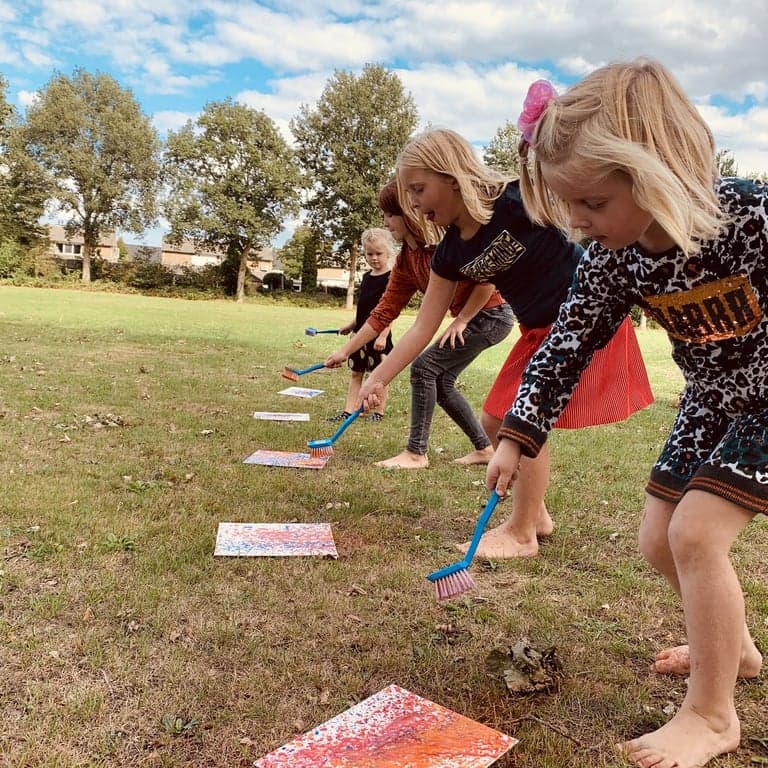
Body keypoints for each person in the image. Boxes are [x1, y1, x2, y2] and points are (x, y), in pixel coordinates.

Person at [486, 59, 766, 768]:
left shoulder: (752, 221)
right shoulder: (612, 259)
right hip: (710, 400)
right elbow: (566, 346)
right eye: (567, 203)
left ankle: (710, 715)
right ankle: (734, 653)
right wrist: (518, 436)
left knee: (697, 534)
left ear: (659, 171)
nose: (577, 221)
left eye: (593, 202)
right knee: (657, 539)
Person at [359, 128, 653, 557]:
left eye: (419, 189)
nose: (415, 203)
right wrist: (379, 377)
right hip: (535, 330)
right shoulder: (449, 255)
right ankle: (535, 515)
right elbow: (423, 326)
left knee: (514, 420)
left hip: (582, 316)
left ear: (452, 175)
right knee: (497, 420)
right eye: (410, 196)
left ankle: (521, 533)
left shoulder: (515, 199)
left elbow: (568, 182)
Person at [325, 180, 515, 467]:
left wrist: (463, 319)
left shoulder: (443, 248)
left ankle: (416, 452)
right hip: (473, 319)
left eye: (391, 214)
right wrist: (346, 350)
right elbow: (383, 313)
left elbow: (486, 281)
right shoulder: (406, 262)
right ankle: (484, 448)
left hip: (491, 315)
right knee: (443, 381)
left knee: (425, 368)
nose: (386, 223)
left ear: (411, 211)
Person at [329, 227, 395, 423]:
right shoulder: (366, 278)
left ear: (389, 252)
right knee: (356, 373)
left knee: (379, 377)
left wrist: (384, 335)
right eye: (369, 254)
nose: (374, 258)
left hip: (379, 338)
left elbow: (390, 311)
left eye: (379, 253)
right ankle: (349, 410)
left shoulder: (391, 278)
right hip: (360, 335)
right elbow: (364, 308)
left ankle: (378, 412)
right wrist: (351, 325)